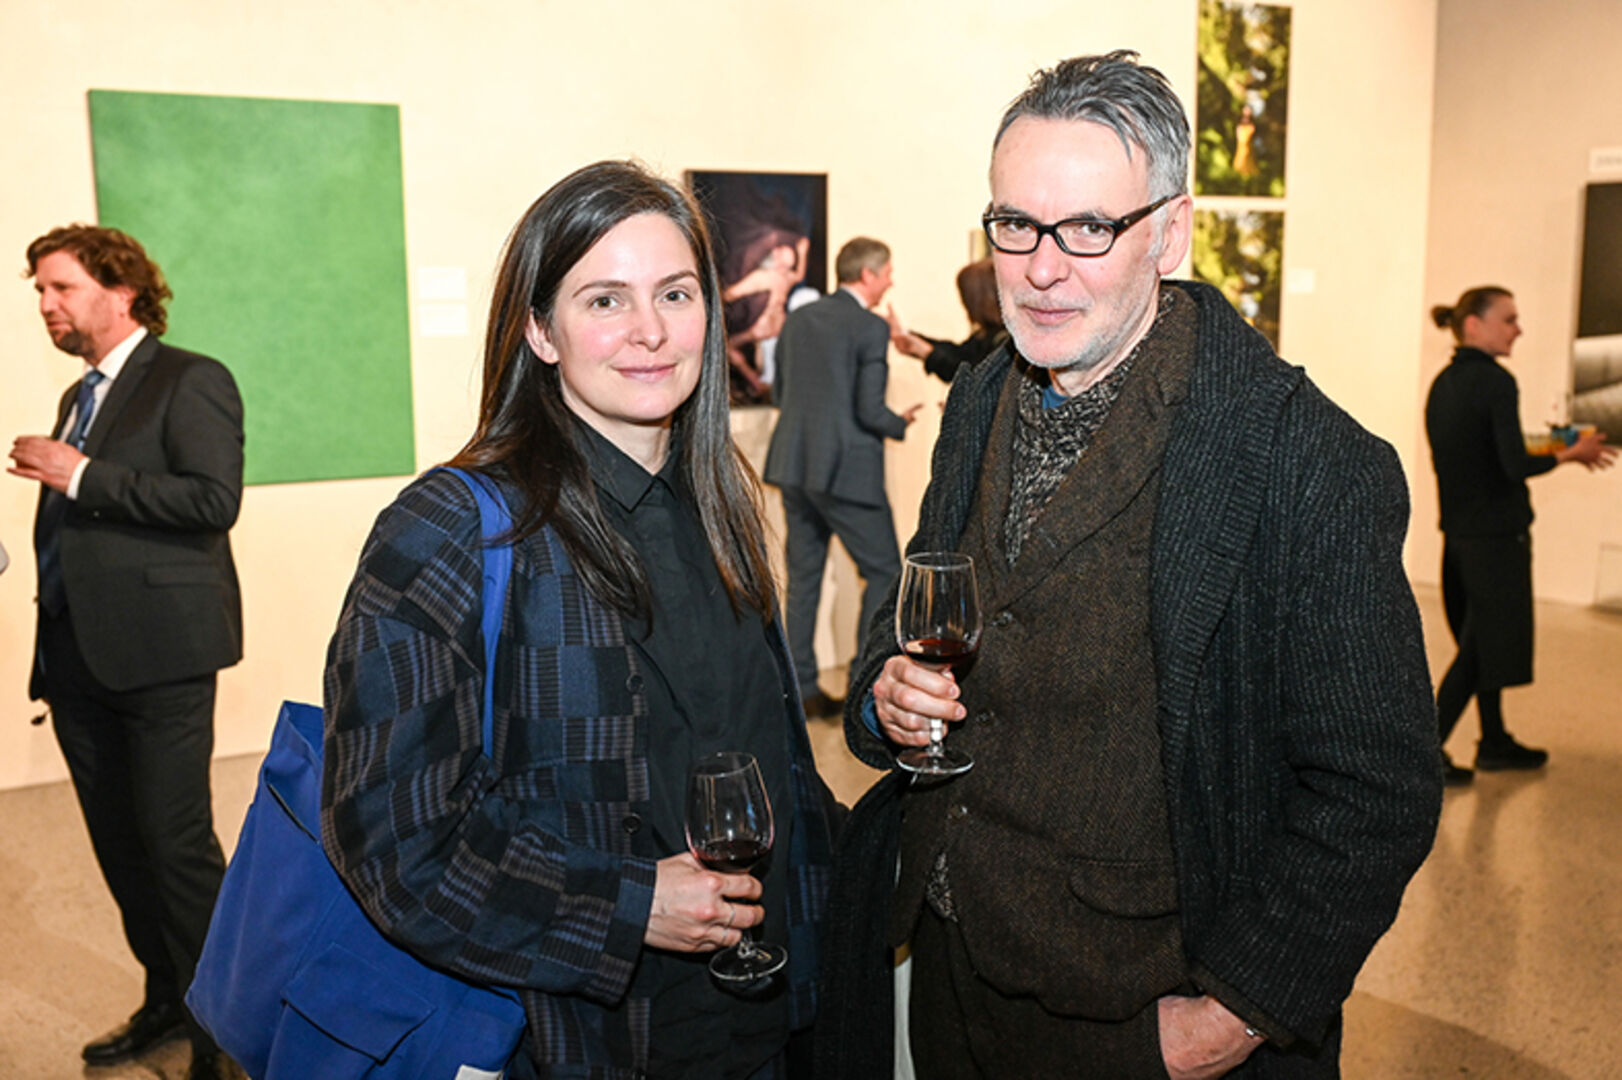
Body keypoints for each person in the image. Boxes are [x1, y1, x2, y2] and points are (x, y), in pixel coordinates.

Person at [835, 52, 1441, 1078]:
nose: (1038, 265)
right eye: (1013, 223)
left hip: (1138, 1018)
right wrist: (884, 694)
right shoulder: (979, 396)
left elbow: (1376, 790)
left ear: (1168, 231)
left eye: (1086, 229)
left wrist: (1229, 1017)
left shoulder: (1306, 460)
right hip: (949, 974)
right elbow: (915, 619)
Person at [320, 160, 837, 1080]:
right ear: (540, 330)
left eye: (675, 293)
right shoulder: (454, 530)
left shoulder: (722, 506)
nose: (649, 331)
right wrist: (629, 903)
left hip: (760, 1025)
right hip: (588, 1043)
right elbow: (395, 844)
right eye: (605, 300)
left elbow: (778, 772)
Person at [8, 225, 243, 1080]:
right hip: (74, 663)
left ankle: (227, 1035)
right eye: (38, 290)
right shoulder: (83, 394)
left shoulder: (192, 379)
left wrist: (80, 475)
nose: (45, 305)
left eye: (59, 288)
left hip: (163, 660)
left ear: (122, 291)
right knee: (118, 849)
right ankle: (165, 1003)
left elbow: (213, 500)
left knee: (177, 850)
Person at [1425, 287, 1615, 784]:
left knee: (1478, 640)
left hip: (1459, 536)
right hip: (1496, 539)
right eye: (1509, 319)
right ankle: (1423, 754)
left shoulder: (1444, 384)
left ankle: (1494, 741)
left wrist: (1556, 444)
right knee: (1479, 649)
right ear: (1475, 326)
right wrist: (1568, 454)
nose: (1518, 329)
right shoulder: (1496, 383)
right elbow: (1512, 464)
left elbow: (1489, 451)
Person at [764, 237, 920, 717]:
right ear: (869, 275)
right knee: (885, 573)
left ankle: (802, 690)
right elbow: (869, 410)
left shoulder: (798, 318)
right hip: (847, 473)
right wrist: (901, 422)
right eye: (888, 271)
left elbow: (779, 393)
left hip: (793, 465)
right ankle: (861, 685)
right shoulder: (870, 328)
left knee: (804, 578)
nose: (891, 280)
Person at [887, 258, 1009, 383]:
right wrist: (909, 337)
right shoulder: (987, 334)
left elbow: (968, 374)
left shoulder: (1005, 342)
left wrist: (927, 352)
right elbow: (958, 353)